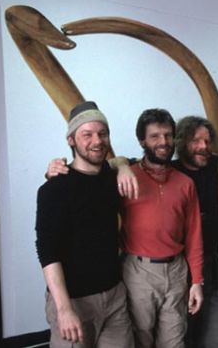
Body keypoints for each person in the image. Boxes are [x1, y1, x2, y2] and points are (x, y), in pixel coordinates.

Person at [35, 101, 134, 348]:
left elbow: (137, 160)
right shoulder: (53, 189)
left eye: (102, 134)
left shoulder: (113, 179)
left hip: (115, 298)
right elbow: (47, 252)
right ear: (71, 140)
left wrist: (122, 165)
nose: (97, 141)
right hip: (74, 302)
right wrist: (64, 309)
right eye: (87, 134)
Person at [121, 108, 204, 348]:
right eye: (155, 136)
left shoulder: (185, 183)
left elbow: (194, 234)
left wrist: (196, 281)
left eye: (168, 135)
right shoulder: (126, 177)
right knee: (140, 341)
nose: (163, 142)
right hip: (138, 273)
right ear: (142, 141)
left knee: (175, 342)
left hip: (177, 272)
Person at [171, 116, 218, 348]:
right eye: (196, 141)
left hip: (210, 262)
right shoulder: (168, 170)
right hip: (179, 268)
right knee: (183, 333)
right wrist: (122, 165)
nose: (204, 147)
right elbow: (122, 164)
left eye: (207, 141)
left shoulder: (214, 165)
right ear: (182, 142)